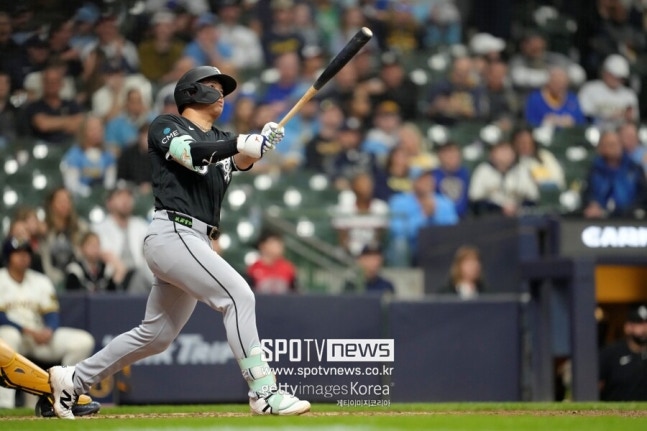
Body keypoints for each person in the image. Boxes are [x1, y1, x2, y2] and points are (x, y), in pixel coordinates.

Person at [47, 65, 310, 419]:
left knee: (156, 335)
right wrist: (240, 142)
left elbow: (238, 159)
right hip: (173, 232)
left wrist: (261, 142)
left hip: (196, 240)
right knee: (238, 296)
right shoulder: (166, 124)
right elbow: (191, 153)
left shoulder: (220, 137)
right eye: (213, 86)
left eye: (222, 89)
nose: (221, 94)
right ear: (190, 92)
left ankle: (72, 379)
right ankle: (264, 392)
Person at [0, 237, 95, 410]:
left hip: (38, 337)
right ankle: (4, 404)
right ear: (8, 256)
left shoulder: (40, 280)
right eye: (18, 253)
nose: (23, 257)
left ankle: (65, 396)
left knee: (83, 341)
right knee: (8, 336)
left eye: (26, 253)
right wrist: (26, 330)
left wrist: (49, 330)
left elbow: (52, 314)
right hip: (14, 337)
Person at [0, 338, 100, 417]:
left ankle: (62, 392)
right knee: (5, 348)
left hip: (39, 333)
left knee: (82, 341)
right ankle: (61, 395)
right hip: (13, 331)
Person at [581, 130, 647, 218]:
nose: (614, 148)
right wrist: (592, 205)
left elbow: (643, 197)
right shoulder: (593, 171)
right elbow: (587, 196)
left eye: (616, 144)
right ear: (600, 148)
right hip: (600, 218)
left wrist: (630, 210)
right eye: (609, 144)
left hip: (630, 218)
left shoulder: (634, 169)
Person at [469, 140, 539, 217]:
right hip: (491, 217)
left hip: (519, 216)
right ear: (492, 154)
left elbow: (533, 198)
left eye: (507, 151)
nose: (504, 155)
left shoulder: (522, 170)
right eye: (501, 151)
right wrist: (500, 209)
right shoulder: (483, 170)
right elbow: (475, 200)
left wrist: (517, 208)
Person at [332, 172, 389, 258]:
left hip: (372, 253)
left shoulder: (381, 208)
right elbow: (342, 239)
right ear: (354, 187)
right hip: (349, 254)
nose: (367, 188)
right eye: (362, 184)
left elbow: (379, 238)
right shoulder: (343, 209)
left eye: (369, 184)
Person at [599, 303, 647, 401]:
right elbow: (595, 386)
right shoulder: (611, 353)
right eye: (639, 323)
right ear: (627, 327)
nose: (644, 328)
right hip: (614, 409)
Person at [578, 54, 639, 129]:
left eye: (620, 78)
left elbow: (635, 121)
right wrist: (609, 117)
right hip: (596, 131)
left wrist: (629, 117)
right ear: (605, 73)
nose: (617, 80)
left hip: (621, 132)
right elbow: (584, 116)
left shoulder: (629, 95)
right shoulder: (589, 89)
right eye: (614, 76)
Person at [246, 230, 298, 295]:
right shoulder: (253, 269)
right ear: (262, 246)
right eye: (273, 243)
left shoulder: (288, 268)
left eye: (279, 243)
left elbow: (296, 293)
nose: (278, 247)